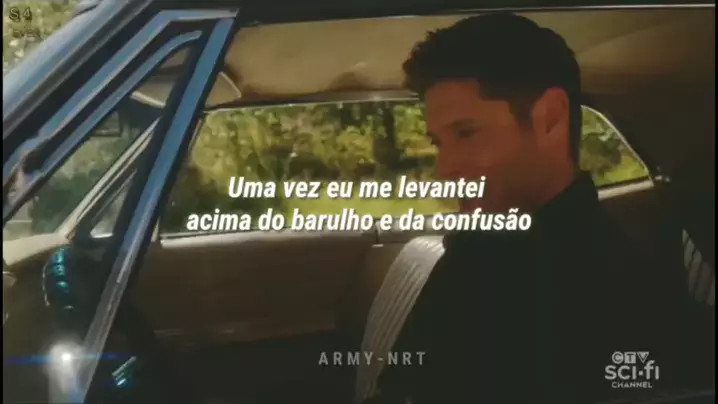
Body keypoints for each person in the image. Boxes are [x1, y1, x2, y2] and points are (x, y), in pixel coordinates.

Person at [364, 13, 712, 404]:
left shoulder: (618, 294)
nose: (445, 169)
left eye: (467, 132)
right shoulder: (476, 249)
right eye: (440, 143)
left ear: (550, 118)